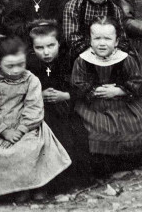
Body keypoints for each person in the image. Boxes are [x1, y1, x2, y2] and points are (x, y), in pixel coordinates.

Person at [0, 36, 71, 201]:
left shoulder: (31, 80)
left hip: (27, 125)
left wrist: (21, 129)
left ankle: (36, 185)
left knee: (31, 147)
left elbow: (34, 108)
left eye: (20, 65)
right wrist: (4, 130)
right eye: (10, 66)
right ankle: (14, 189)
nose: (16, 70)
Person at [71, 18, 142, 172]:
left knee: (141, 124)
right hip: (95, 104)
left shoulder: (125, 59)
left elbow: (137, 81)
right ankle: (108, 167)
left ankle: (132, 163)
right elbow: (78, 84)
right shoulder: (82, 60)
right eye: (97, 38)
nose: (102, 43)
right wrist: (95, 90)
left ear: (116, 42)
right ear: (90, 40)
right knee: (98, 129)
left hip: (124, 102)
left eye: (107, 39)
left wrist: (118, 90)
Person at [26, 21, 90, 187]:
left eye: (51, 46)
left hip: (67, 106)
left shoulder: (69, 60)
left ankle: (76, 180)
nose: (46, 52)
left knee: (76, 134)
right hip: (41, 111)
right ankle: (54, 184)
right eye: (39, 48)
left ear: (58, 43)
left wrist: (66, 95)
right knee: (51, 137)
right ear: (32, 48)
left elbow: (85, 86)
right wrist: (38, 95)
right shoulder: (28, 65)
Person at [62, 0, 130, 65]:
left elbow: (122, 40)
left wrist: (108, 55)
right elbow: (72, 40)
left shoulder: (115, 10)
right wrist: (95, 55)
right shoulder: (74, 6)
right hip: (80, 59)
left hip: (110, 59)